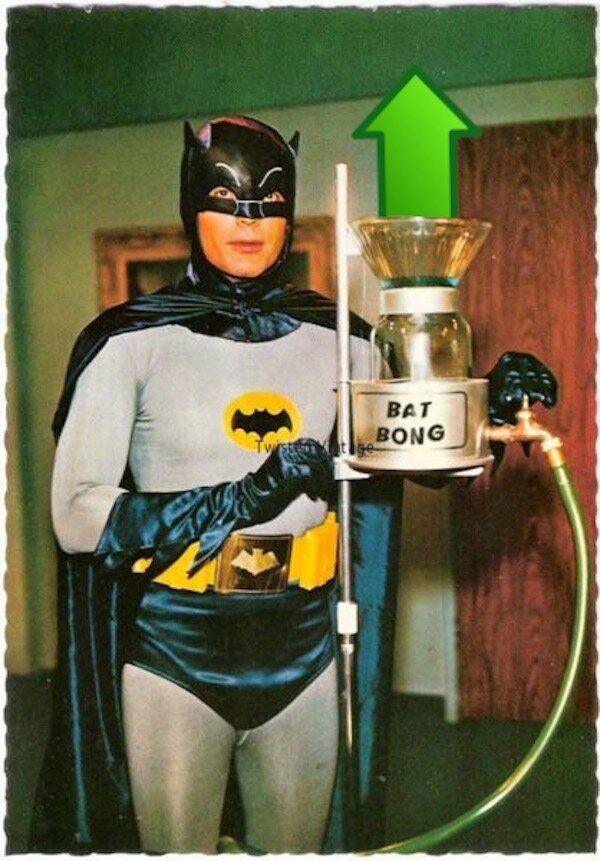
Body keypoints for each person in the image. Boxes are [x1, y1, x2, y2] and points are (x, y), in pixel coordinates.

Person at [30, 115, 557, 855]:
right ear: (191, 205)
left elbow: (416, 452)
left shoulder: (341, 337)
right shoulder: (130, 342)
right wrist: (243, 497)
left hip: (305, 643)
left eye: (270, 204)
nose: (249, 222)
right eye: (226, 201)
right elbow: (78, 516)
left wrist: (488, 406)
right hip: (178, 646)